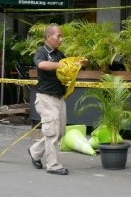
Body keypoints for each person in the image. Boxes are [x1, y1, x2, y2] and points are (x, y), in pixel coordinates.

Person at [27, 24, 86, 175]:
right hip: (46, 98)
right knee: (52, 132)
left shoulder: (60, 54)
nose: (61, 39)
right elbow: (41, 65)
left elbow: (67, 68)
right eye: (58, 36)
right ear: (48, 37)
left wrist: (79, 63)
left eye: (61, 36)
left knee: (59, 132)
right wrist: (61, 65)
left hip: (59, 98)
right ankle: (53, 165)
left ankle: (34, 151)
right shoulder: (42, 52)